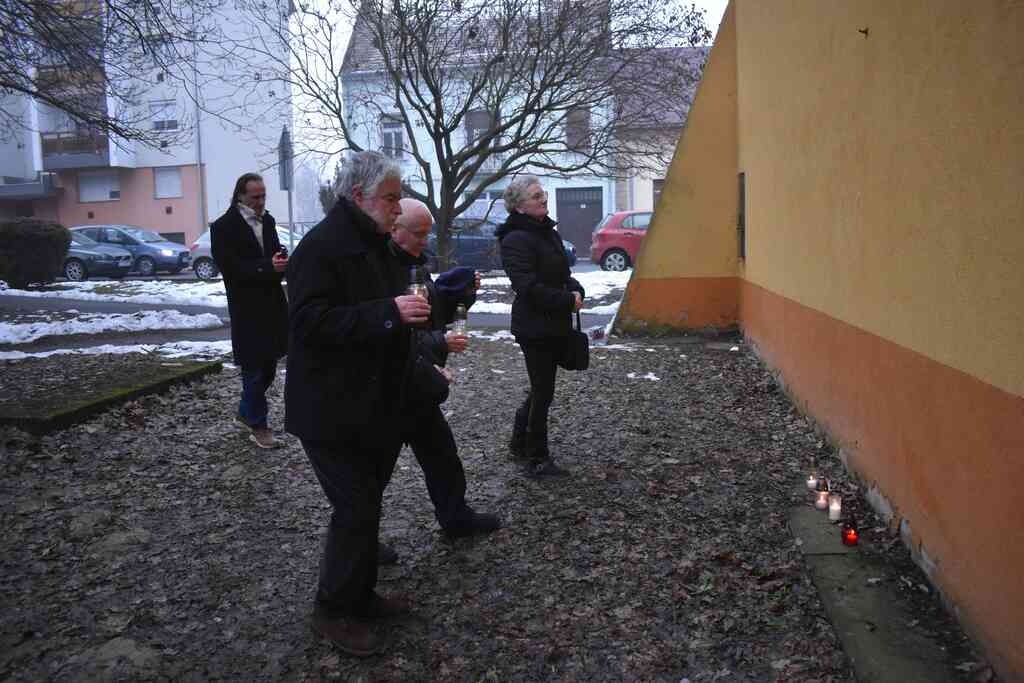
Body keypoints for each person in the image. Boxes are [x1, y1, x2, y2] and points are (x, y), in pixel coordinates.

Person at [284, 151, 431, 657]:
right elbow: (308, 324)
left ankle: (360, 594)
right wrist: (387, 312)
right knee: (354, 507)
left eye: (398, 197)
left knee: (367, 504)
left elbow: (392, 311)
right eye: (391, 198)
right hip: (329, 408)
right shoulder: (321, 248)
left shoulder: (377, 246)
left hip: (371, 404)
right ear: (358, 196)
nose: (398, 207)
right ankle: (332, 610)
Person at [387, 198, 501, 538]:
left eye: (428, 233)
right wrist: (440, 342)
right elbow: (393, 333)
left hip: (418, 381)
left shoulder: (415, 264)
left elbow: (431, 316)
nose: (425, 240)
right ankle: (360, 543)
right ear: (395, 229)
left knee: (442, 454)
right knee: (373, 472)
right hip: (391, 386)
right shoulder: (381, 271)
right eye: (419, 233)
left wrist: (463, 295)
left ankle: (456, 518)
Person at [495, 175, 585, 477]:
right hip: (533, 328)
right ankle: (537, 458)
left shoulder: (547, 232)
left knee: (541, 388)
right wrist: (567, 300)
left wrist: (577, 290)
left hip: (555, 323)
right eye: (536, 196)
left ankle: (519, 442)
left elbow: (562, 274)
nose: (543, 199)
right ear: (519, 207)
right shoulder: (515, 239)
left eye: (542, 194)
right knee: (543, 391)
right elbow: (527, 287)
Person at [210, 172, 289, 449]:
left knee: (268, 368)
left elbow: (272, 255)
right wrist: (268, 266)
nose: (260, 201)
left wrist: (280, 261)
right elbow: (231, 269)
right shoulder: (222, 227)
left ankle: (246, 413)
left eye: (263, 196)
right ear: (240, 196)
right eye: (255, 197)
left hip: (272, 305)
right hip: (247, 309)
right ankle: (259, 426)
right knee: (254, 370)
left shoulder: (268, 221)